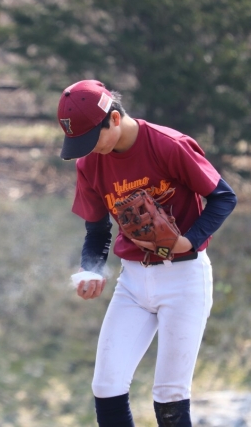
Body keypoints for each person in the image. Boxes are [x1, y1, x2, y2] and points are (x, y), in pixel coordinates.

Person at [56, 80, 237, 426]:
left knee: (170, 395)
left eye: (91, 139)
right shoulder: (90, 165)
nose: (88, 150)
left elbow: (224, 197)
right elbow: (97, 231)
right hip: (133, 282)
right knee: (106, 387)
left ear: (113, 118)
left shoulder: (168, 145)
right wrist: (91, 269)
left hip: (184, 279)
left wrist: (189, 240)